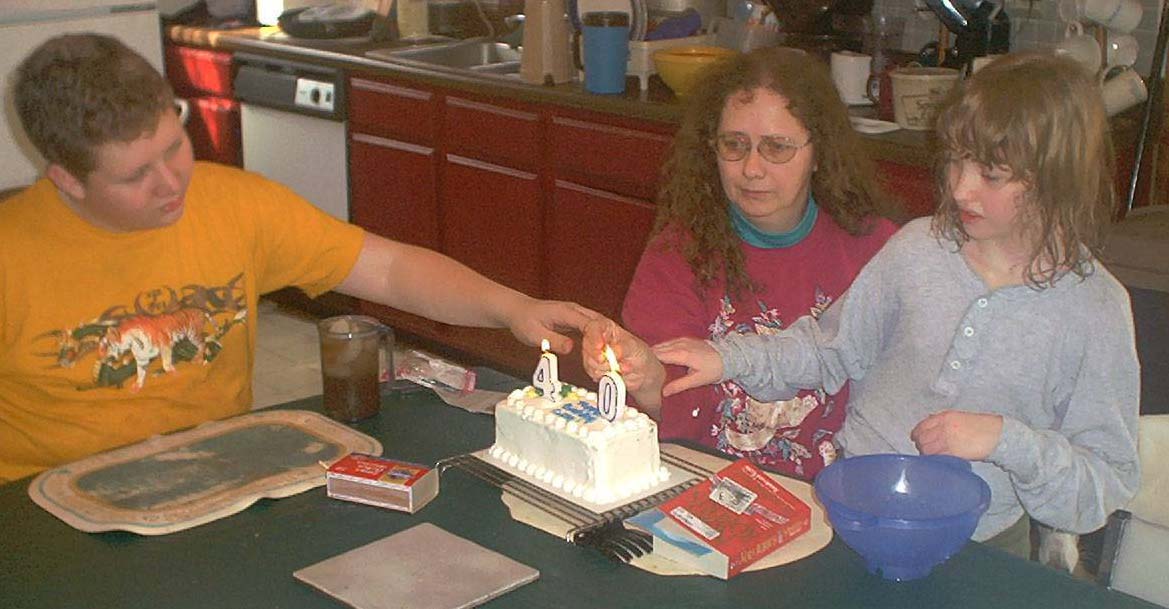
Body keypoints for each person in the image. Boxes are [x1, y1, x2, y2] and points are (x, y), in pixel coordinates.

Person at [607, 52, 1140, 558]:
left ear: (1056, 178)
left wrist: (1008, 441)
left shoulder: (1095, 311)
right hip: (850, 520)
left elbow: (1103, 488)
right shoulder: (917, 248)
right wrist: (731, 359)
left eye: (992, 175)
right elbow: (827, 350)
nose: (959, 190)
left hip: (980, 547)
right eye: (955, 162)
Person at [0, 33, 595, 483]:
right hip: (50, 502)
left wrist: (513, 307)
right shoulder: (13, 254)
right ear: (66, 181)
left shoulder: (234, 204)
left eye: (174, 146)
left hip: (220, 474)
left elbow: (387, 269)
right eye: (135, 175)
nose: (171, 182)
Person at [583, 47, 899, 481]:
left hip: (839, 498)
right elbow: (670, 415)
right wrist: (646, 377)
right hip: (709, 485)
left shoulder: (879, 251)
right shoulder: (679, 253)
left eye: (777, 148)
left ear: (819, 152)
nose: (752, 168)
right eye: (734, 145)